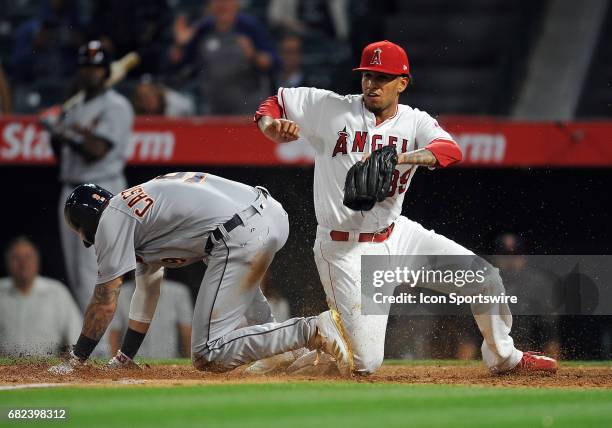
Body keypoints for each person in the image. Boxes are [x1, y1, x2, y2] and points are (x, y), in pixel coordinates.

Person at [255, 40, 558, 375]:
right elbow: (274, 103)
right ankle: (300, 342)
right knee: (364, 364)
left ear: (402, 82)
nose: (372, 84)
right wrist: (271, 128)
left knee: (485, 278)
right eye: (368, 75)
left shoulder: (414, 122)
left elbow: (449, 150)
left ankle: (504, 358)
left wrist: (400, 158)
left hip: (397, 236)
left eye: (383, 77)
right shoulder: (332, 108)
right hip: (344, 248)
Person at [48, 172, 350, 375]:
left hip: (239, 232)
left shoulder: (113, 219)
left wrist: (78, 359)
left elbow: (104, 300)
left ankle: (312, 330)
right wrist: (125, 357)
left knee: (208, 352)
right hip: (267, 215)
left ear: (87, 228)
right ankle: (283, 351)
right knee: (219, 263)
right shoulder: (137, 215)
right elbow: (147, 289)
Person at [44, 40, 134, 311]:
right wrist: (55, 132)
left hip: (101, 191)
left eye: (96, 68)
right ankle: (89, 345)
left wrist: (61, 131)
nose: (89, 73)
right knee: (76, 275)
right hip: (71, 188)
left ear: (106, 71)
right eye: (85, 67)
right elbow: (62, 154)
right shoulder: (76, 106)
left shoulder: (116, 106)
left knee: (93, 272)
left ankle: (100, 346)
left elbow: (96, 150)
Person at [167, 0, 279, 114]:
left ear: (236, 4)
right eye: (217, 1)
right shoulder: (203, 29)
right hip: (213, 109)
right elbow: (178, 62)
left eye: (226, 1)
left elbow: (274, 62)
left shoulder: (249, 27)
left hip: (248, 110)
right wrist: (180, 44)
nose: (222, 5)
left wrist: (254, 55)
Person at [0, 237, 82, 357]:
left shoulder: (57, 293)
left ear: (37, 261)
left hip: (48, 372)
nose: (23, 264)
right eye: (16, 258)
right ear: (7, 262)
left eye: (28, 257)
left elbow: (76, 338)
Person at [109, 278, 193, 358]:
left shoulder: (179, 292)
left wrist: (189, 364)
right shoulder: (121, 294)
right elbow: (114, 334)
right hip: (132, 365)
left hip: (169, 364)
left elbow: (186, 332)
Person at [131, 76, 196, 117]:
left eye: (149, 95)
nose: (146, 101)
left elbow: (189, 107)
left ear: (157, 92)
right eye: (142, 97)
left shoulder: (171, 101)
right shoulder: (136, 109)